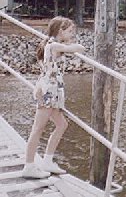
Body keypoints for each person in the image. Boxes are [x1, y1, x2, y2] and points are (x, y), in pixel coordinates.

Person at [22, 17, 85, 178]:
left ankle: (47, 161)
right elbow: (80, 48)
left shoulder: (50, 44)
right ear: (60, 31)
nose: (73, 34)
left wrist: (68, 45)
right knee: (38, 129)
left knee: (62, 124)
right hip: (48, 91)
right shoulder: (54, 45)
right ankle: (29, 166)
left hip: (52, 90)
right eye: (70, 31)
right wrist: (72, 45)